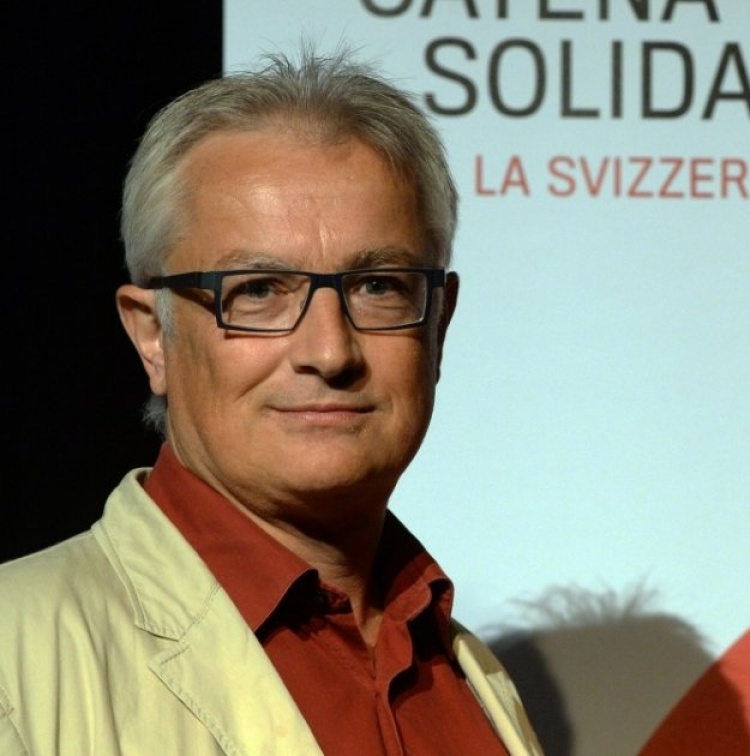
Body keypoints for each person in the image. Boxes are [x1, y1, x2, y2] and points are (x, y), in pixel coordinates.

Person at [0, 48, 541, 755]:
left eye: (378, 287)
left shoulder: (474, 682)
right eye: (257, 291)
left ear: (438, 325)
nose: (330, 352)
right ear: (152, 336)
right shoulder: (14, 657)